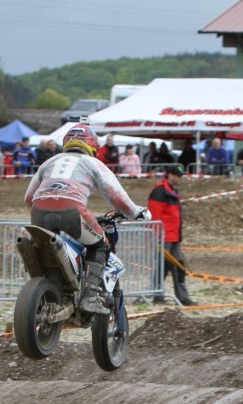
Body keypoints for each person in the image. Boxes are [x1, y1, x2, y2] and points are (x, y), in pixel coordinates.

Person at [23, 124, 148, 314]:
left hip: (39, 210)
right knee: (100, 245)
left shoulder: (49, 161)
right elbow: (116, 196)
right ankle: (89, 297)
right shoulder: (93, 163)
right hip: (72, 210)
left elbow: (28, 198)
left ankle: (49, 290)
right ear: (93, 145)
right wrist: (136, 212)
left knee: (42, 247)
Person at [148, 164, 194, 306]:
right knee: (162, 266)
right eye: (178, 176)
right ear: (170, 175)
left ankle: (182, 297)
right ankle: (158, 295)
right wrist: (157, 237)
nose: (180, 178)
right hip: (164, 237)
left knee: (179, 267)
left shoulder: (172, 191)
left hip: (174, 237)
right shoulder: (159, 191)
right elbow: (155, 216)